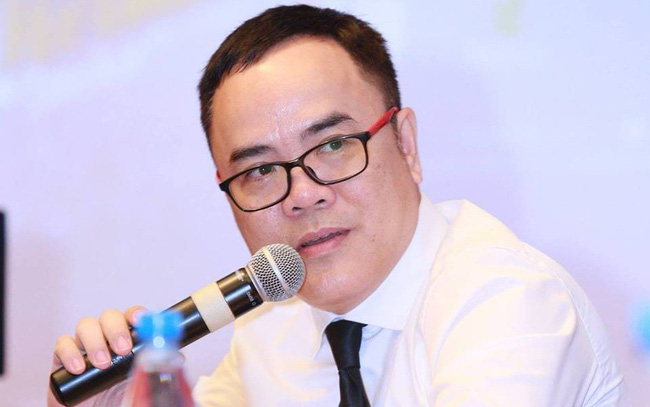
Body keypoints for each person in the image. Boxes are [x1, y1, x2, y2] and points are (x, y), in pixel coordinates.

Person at [49, 5, 624, 406]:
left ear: (406, 144)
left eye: (332, 145)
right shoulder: (270, 330)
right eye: (260, 171)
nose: (304, 194)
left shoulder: (506, 299)